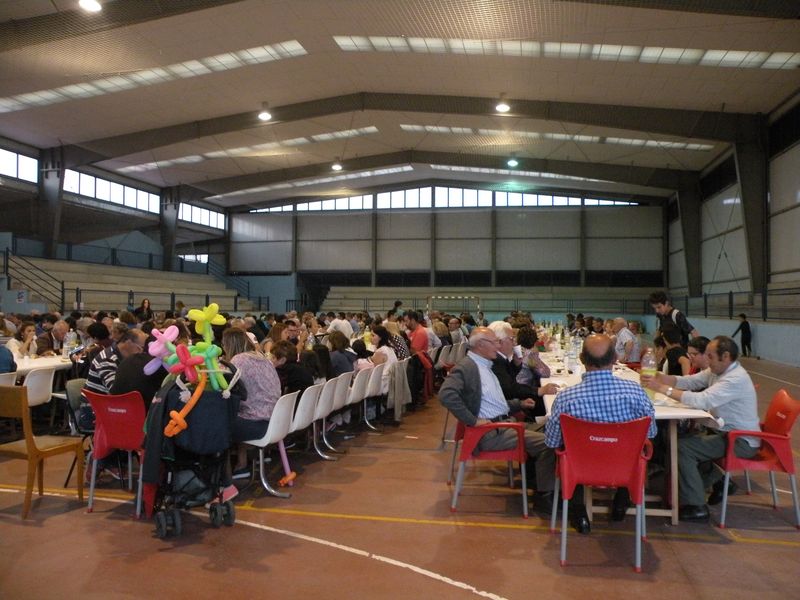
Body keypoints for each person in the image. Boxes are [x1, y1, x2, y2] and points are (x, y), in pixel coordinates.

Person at [641, 336, 760, 522]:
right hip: (723, 432)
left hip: (740, 440)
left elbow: (702, 400)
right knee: (684, 440)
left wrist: (663, 388)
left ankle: (696, 506)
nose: (707, 360)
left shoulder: (734, 379)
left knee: (683, 447)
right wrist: (662, 377)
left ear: (725, 356)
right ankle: (717, 481)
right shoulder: (717, 370)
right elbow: (690, 382)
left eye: (710, 356)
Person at [545, 334, 656, 533]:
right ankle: (621, 501)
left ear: (581, 359)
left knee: (566, 448)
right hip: (624, 466)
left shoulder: (566, 398)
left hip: (581, 467)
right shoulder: (636, 393)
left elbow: (552, 441)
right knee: (635, 448)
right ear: (615, 358)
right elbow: (651, 432)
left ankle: (578, 512)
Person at [438, 327, 555, 505]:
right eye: (495, 342)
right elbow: (446, 394)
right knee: (550, 443)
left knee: (552, 429)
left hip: (502, 425)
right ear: (481, 345)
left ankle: (536, 481)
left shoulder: (485, 365)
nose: (498, 346)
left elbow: (492, 403)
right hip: (491, 433)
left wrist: (519, 404)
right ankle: (545, 497)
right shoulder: (468, 367)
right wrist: (473, 421)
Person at [222, 328, 282, 479]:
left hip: (258, 424)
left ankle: (225, 478)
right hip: (276, 421)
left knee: (218, 426)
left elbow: (226, 388)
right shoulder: (262, 358)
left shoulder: (238, 361)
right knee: (240, 413)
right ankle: (241, 464)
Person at [84, 329, 148, 394]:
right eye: (141, 348)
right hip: (96, 399)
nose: (142, 352)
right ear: (128, 343)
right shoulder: (106, 359)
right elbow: (115, 390)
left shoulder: (127, 357)